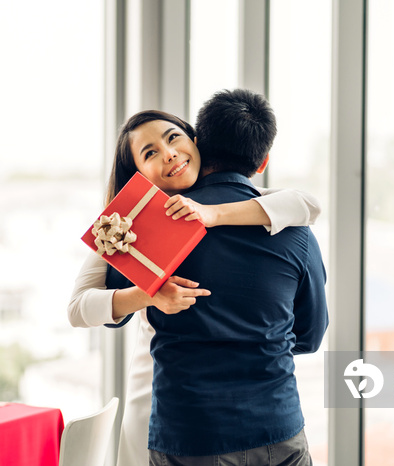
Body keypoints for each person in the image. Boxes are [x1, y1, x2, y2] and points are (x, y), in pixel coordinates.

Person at [68, 109, 322, 466]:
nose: (168, 153)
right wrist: (148, 294)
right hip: (159, 401)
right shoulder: (127, 227)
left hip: (207, 421)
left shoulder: (254, 204)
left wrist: (211, 214)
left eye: (173, 138)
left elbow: (306, 205)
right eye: (150, 152)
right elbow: (78, 308)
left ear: (196, 141)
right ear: (137, 175)